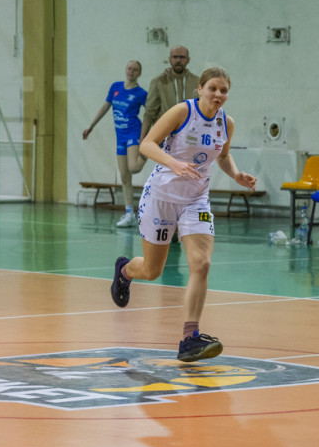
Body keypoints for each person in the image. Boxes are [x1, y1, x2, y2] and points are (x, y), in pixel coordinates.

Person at [109, 67, 256, 362]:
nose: (218, 95)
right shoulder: (182, 112)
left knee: (201, 263)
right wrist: (173, 163)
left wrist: (237, 174)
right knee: (152, 270)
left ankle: (190, 337)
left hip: (196, 200)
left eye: (224, 90)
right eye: (213, 88)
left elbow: (223, 156)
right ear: (199, 88)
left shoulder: (226, 123)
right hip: (161, 196)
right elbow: (148, 144)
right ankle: (125, 271)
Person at [82, 60, 148, 227]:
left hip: (134, 133)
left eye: (135, 70)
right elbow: (105, 107)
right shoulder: (115, 87)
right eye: (129, 68)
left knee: (134, 167)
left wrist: (150, 133)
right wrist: (91, 126)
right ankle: (129, 214)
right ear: (125, 69)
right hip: (120, 136)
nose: (131, 71)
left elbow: (152, 111)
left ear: (139, 73)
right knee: (125, 177)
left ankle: (148, 150)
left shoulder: (141, 93)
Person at [143, 46, 200, 137]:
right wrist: (142, 140)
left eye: (182, 57)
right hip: (164, 135)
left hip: (190, 136)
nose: (178, 60)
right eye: (175, 57)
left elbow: (204, 109)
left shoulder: (197, 82)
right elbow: (149, 112)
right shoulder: (158, 81)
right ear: (170, 59)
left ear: (188, 60)